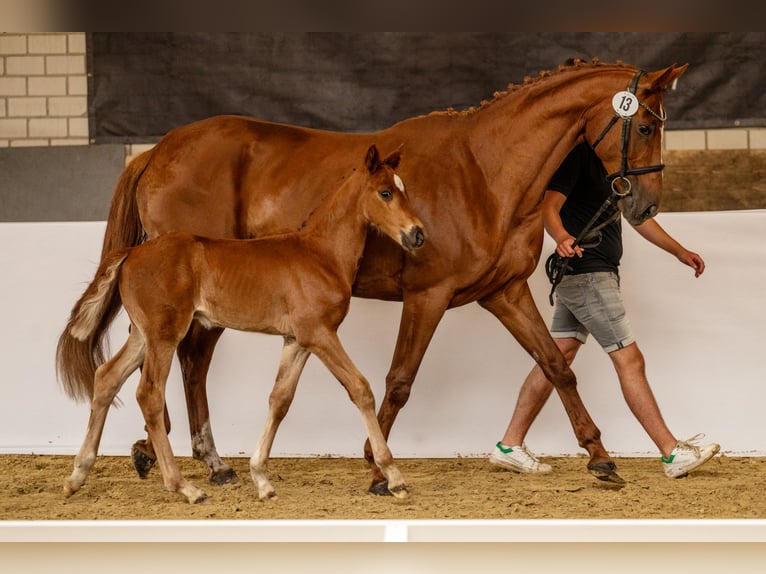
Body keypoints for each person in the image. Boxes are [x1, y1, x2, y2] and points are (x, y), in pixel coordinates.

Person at [490, 142, 719, 478]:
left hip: (589, 275)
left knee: (558, 356)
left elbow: (636, 217)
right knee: (630, 360)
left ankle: (509, 446)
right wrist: (562, 236)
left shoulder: (614, 166)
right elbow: (548, 206)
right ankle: (672, 453)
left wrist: (679, 251)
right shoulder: (579, 157)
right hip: (588, 275)